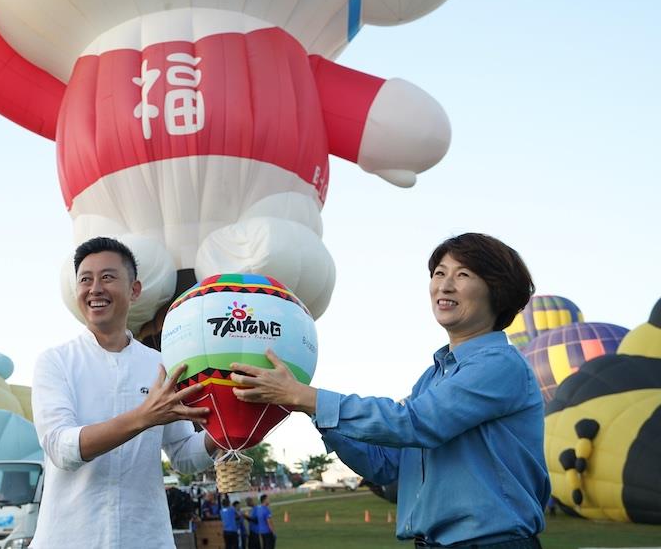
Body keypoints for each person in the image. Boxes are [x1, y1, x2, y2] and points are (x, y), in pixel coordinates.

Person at [231, 233, 550, 548]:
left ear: (496, 289)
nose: (444, 285)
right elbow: (385, 464)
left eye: (463, 274)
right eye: (440, 273)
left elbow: (417, 422)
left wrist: (306, 396)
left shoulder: (499, 364)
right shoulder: (431, 378)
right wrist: (307, 406)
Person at [31, 237, 220, 548]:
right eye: (85, 279)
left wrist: (231, 431)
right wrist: (143, 417)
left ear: (134, 290)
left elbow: (184, 456)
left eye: (107, 277)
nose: (95, 289)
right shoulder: (55, 361)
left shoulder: (162, 364)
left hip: (146, 538)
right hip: (68, 539)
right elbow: (61, 448)